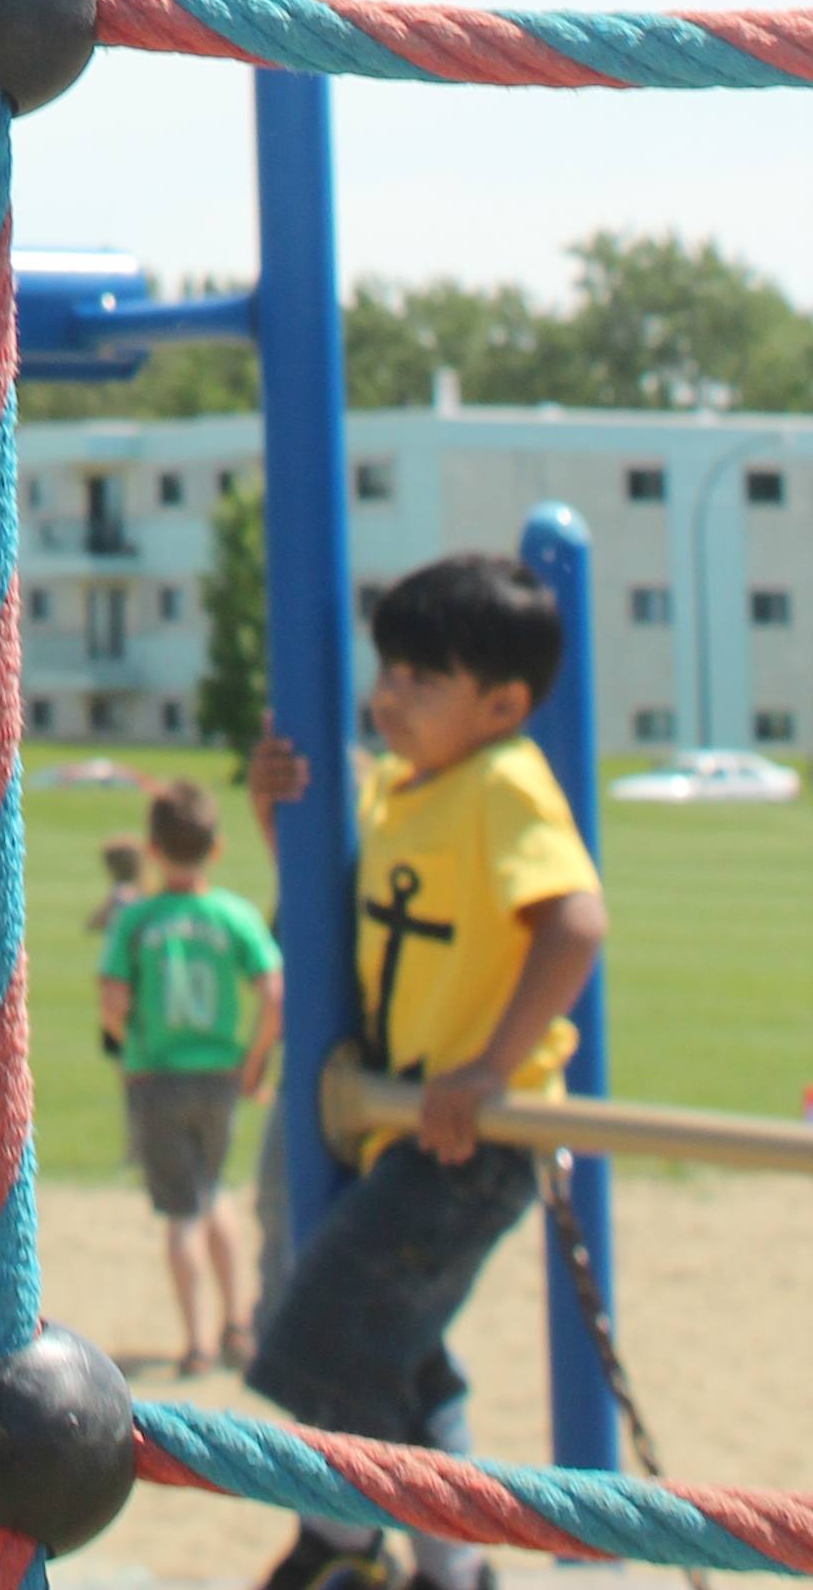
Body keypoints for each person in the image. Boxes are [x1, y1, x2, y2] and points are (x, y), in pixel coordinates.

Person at [244, 553, 609, 1590]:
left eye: (421, 680)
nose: (388, 696)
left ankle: (348, 1540)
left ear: (502, 704)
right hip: (400, 1118)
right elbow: (348, 902)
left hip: (471, 1135)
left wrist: (491, 1070)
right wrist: (288, 819)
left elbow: (574, 925)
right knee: (397, 1348)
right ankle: (452, 1569)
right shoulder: (408, 788)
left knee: (322, 1333)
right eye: (389, 671)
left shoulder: (503, 785)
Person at [96, 776, 278, 1373]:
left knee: (180, 1212)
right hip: (221, 1073)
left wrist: (129, 1043)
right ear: (217, 848)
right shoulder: (233, 915)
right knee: (214, 1192)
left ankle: (196, 1340)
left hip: (158, 1076)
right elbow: (272, 992)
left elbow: (113, 999)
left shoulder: (139, 920)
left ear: (152, 850)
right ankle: (238, 1323)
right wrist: (253, 1064)